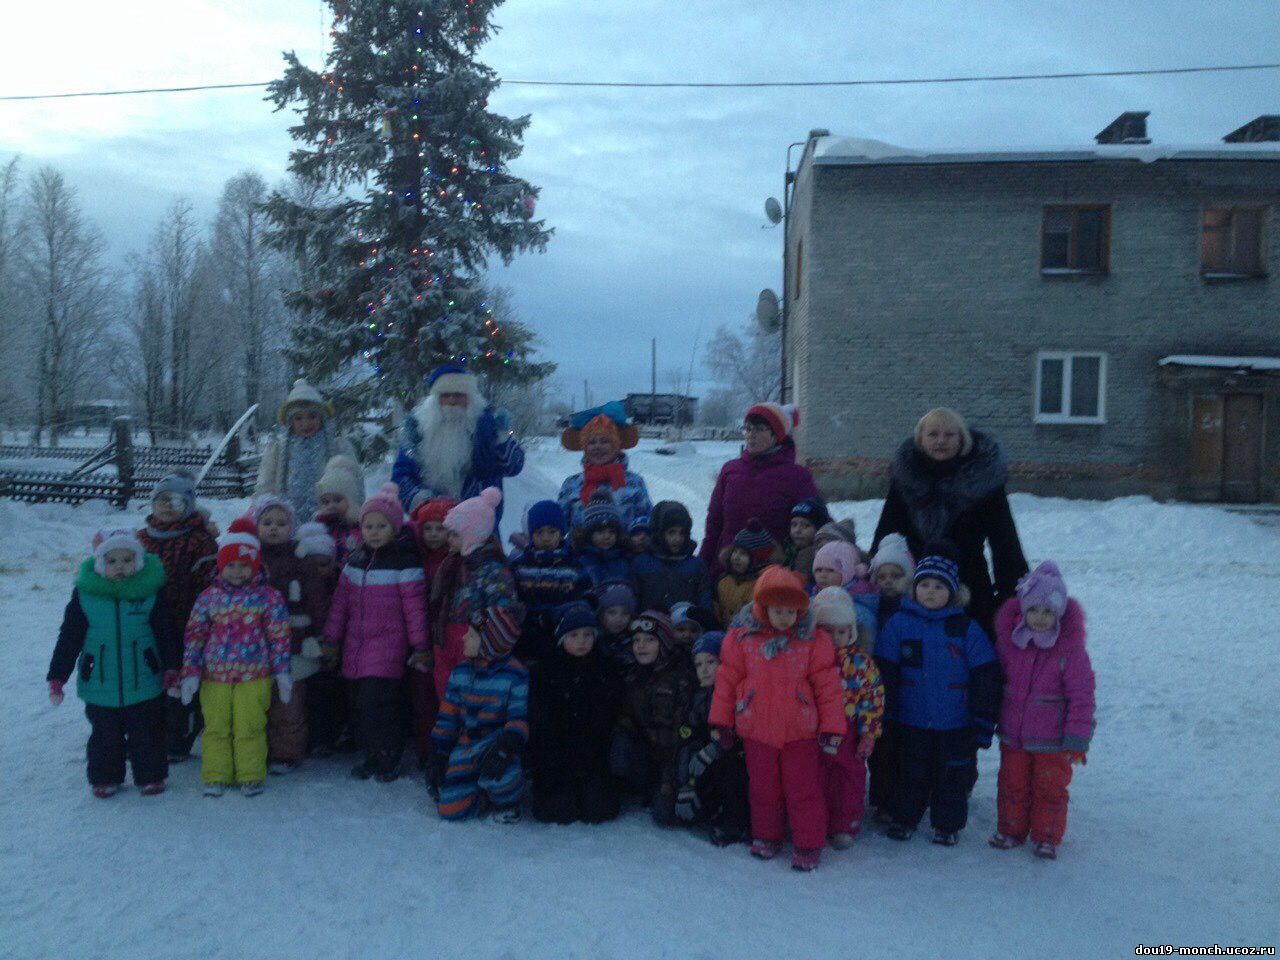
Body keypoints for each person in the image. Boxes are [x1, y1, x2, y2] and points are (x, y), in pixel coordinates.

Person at [708, 566, 845, 871]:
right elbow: (728, 679)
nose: (785, 617)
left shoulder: (812, 642)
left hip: (801, 732)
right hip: (756, 728)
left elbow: (828, 686)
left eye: (791, 611)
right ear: (762, 607)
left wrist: (831, 726)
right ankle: (766, 836)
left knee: (803, 789)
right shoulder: (742, 639)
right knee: (763, 788)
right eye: (777, 610)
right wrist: (722, 721)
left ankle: (808, 842)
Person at [876, 550, 1001, 845]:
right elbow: (884, 672)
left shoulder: (966, 629)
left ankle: (947, 825)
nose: (930, 592)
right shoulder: (899, 624)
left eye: (939, 586)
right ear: (913, 588)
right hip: (911, 719)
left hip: (954, 722)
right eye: (924, 585)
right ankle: (904, 818)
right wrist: (886, 711)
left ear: (953, 593)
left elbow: (985, 675)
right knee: (910, 771)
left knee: (951, 775)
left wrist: (982, 719)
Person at [47, 529, 179, 798]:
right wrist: (58, 676)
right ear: (99, 564)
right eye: (112, 561)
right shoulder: (86, 595)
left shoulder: (149, 593)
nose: (120, 567)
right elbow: (69, 637)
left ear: (139, 562)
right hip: (100, 681)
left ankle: (151, 775)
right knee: (105, 734)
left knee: (147, 731)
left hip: (144, 677)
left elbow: (167, 632)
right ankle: (105, 776)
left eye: (127, 560)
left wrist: (172, 668)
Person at [871, 407, 1028, 633]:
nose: (941, 441)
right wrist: (872, 571)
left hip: (969, 582)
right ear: (920, 439)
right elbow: (887, 529)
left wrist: (1012, 594)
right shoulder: (907, 478)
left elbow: (1004, 540)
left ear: (962, 438)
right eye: (933, 434)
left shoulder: (984, 481)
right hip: (916, 581)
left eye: (949, 435)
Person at [322, 484, 429, 782]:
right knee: (358, 703)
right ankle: (371, 753)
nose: (374, 532)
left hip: (387, 647)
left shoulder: (404, 563)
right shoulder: (355, 561)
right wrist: (331, 640)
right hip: (355, 647)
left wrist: (420, 645)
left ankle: (387, 756)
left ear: (394, 529)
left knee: (378, 704)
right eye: (368, 526)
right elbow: (340, 605)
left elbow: (415, 609)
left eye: (381, 526)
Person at [990, 562, 1095, 860]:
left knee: (1049, 788)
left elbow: (1082, 696)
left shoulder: (1070, 651)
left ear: (1059, 613)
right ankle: (1011, 829)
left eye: (1048, 612)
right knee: (1012, 784)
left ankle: (1046, 835)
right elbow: (996, 681)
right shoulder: (1011, 644)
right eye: (1033, 610)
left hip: (1053, 740)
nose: (1039, 618)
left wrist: (1077, 736)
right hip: (1014, 735)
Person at [180, 520, 293, 797]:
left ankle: (250, 774)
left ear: (254, 565)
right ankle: (217, 775)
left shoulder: (268, 597)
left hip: (254, 676)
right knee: (216, 727)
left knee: (250, 727)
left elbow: (279, 636)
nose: (237, 571)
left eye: (243, 565)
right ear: (221, 566)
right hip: (214, 675)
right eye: (231, 565)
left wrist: (282, 672)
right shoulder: (209, 597)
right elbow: (195, 634)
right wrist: (191, 671)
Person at [136, 472, 217, 764]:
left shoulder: (199, 541)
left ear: (189, 504)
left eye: (176, 501)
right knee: (151, 675)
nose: (168, 507)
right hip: (146, 624)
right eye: (161, 500)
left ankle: (179, 736)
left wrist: (204, 619)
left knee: (181, 681)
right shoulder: (141, 539)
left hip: (187, 623)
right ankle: (145, 730)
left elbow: (208, 583)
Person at [427, 606, 528, 823]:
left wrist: (505, 746)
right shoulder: (461, 672)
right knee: (450, 810)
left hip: (496, 744)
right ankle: (480, 797)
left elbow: (519, 718)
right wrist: (439, 753)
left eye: (472, 635)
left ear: (490, 644)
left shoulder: (515, 674)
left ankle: (508, 801)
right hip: (466, 745)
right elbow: (448, 716)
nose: (464, 638)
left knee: (504, 778)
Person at [528, 602, 624, 825]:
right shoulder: (547, 670)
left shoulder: (604, 668)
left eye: (587, 635)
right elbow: (541, 718)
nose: (582, 641)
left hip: (592, 752)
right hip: (557, 752)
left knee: (600, 810)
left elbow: (610, 711)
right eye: (574, 635)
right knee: (556, 811)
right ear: (562, 638)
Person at [700, 402, 821, 577]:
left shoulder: (797, 477)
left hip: (769, 575)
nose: (750, 435)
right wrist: (704, 563)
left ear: (776, 435)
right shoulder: (730, 470)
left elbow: (816, 521)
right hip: (726, 571)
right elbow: (714, 522)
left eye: (759, 429)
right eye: (748, 429)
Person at [392, 363, 525, 519]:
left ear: (470, 398)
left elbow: (514, 466)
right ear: (435, 400)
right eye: (445, 395)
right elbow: (401, 476)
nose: (452, 400)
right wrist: (423, 500)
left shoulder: (488, 427)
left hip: (479, 525)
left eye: (459, 395)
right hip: (431, 527)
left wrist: (501, 435)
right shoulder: (417, 430)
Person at [428, 488, 519, 703]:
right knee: (447, 697)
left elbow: (502, 610)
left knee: (471, 698)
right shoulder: (452, 563)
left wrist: (479, 635)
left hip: (472, 643)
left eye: (454, 534)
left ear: (472, 534)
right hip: (446, 638)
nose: (448, 539)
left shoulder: (492, 570)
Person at [810, 587, 884, 849]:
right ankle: (815, 821)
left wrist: (869, 733)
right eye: (827, 631)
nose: (835, 638)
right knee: (815, 777)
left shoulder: (861, 663)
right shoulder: (808, 659)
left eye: (841, 632)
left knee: (848, 778)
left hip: (849, 730)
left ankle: (844, 824)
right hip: (814, 729)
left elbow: (872, 699)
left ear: (851, 631)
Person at [610, 611, 695, 825]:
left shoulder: (680, 678)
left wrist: (670, 781)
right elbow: (627, 717)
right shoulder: (633, 676)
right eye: (637, 640)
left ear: (664, 643)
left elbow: (681, 738)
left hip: (674, 759)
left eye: (649, 640)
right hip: (649, 755)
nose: (641, 646)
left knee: (665, 816)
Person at [671, 631, 750, 845]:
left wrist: (715, 750)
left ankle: (735, 822)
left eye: (710, 662)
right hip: (706, 769)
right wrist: (686, 784)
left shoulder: (740, 692)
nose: (704, 670)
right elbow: (686, 738)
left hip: (735, 766)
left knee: (731, 766)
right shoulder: (697, 697)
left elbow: (744, 734)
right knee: (667, 811)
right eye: (698, 665)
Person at [255, 379, 358, 522]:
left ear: (321, 417)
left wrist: (352, 515)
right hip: (286, 524)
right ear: (290, 421)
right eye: (298, 418)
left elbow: (354, 484)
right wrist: (265, 512)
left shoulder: (337, 447)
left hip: (331, 522)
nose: (305, 423)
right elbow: (265, 484)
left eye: (312, 416)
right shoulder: (279, 450)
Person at [404, 495, 457, 767]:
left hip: (450, 640)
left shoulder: (459, 561)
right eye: (428, 528)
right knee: (422, 696)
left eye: (440, 528)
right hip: (419, 639)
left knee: (447, 695)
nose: (434, 534)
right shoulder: (415, 558)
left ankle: (448, 748)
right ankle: (427, 749)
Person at [865, 532, 914, 819]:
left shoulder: (913, 608)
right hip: (875, 685)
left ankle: (900, 799)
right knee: (880, 749)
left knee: (903, 748)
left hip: (905, 686)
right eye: (882, 575)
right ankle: (882, 800)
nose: (888, 581)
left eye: (896, 575)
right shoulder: (871, 607)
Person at [509, 499, 592, 663]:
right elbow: (511, 598)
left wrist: (570, 614)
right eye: (539, 532)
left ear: (561, 533)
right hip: (527, 636)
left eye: (552, 531)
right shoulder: (520, 566)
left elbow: (588, 597)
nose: (546, 538)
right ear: (531, 534)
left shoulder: (573, 565)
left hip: (565, 635)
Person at [556, 401, 652, 530]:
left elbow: (648, 526)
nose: (598, 447)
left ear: (616, 445)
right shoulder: (571, 484)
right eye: (591, 442)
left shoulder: (634, 482)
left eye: (605, 441)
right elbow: (557, 529)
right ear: (584, 447)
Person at [292, 522, 343, 757]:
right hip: (307, 646)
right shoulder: (297, 587)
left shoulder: (340, 585)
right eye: (311, 565)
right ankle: (311, 736)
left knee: (330, 692)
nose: (317, 571)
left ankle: (329, 735)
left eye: (323, 565)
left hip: (335, 647)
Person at [632, 500, 713, 613]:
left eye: (682, 533)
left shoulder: (696, 565)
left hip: (686, 628)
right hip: (649, 627)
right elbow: (633, 602)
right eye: (671, 532)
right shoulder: (641, 563)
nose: (677, 539)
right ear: (659, 533)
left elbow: (705, 602)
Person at [715, 519, 776, 627]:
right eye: (735, 551)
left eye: (743, 554)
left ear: (757, 560)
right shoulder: (723, 580)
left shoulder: (761, 585)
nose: (736, 557)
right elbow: (717, 605)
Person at [572, 490, 632, 590]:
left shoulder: (624, 559)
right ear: (589, 534)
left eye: (612, 532)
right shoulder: (580, 561)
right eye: (600, 532)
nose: (606, 536)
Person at [314, 454, 365, 567]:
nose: (331, 505)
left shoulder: (360, 526)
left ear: (350, 500)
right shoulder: (321, 527)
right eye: (325, 502)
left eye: (337, 500)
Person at [781, 498, 830, 586]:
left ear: (819, 529)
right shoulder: (789, 548)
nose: (797, 530)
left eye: (806, 525)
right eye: (794, 524)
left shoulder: (821, 552)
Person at [595, 581, 637, 669]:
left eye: (625, 613)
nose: (618, 619)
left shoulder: (634, 639)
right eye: (612, 612)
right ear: (601, 614)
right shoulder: (592, 642)